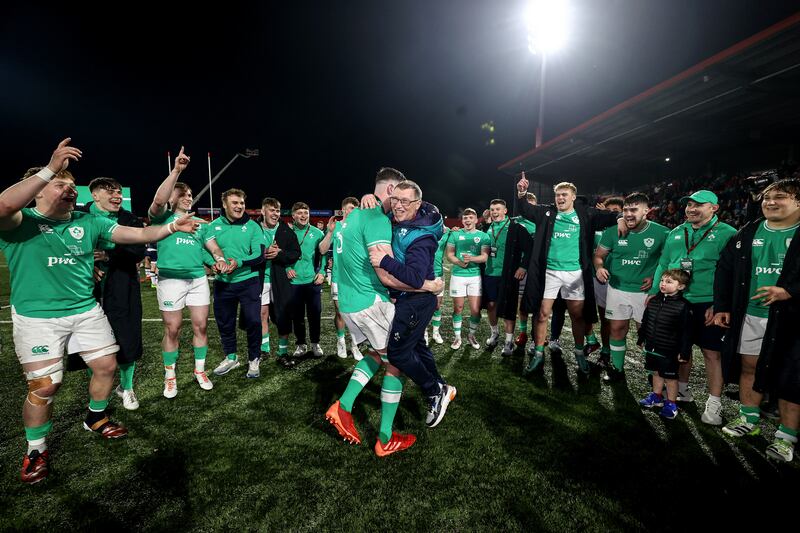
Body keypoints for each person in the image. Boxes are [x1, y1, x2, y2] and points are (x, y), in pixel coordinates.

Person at [1, 138, 197, 483]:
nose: (69, 188)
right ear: (38, 191)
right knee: (45, 386)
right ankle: (36, 449)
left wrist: (169, 228)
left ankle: (96, 416)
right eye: (58, 184)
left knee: (107, 365)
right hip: (37, 318)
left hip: (85, 310)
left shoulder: (89, 221)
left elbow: (137, 234)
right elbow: (3, 205)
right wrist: (50, 169)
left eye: (70, 184)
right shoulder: (20, 222)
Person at [325, 168, 447, 457]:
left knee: (378, 355)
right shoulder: (378, 220)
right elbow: (385, 276)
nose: (400, 203)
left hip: (348, 302)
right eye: (398, 194)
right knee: (397, 362)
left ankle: (344, 407)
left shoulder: (352, 215)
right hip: (370, 302)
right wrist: (428, 286)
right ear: (391, 190)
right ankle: (383, 435)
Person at [713, 179, 800, 460]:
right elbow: (725, 268)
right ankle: (748, 419)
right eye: (766, 197)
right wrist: (723, 306)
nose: (770, 202)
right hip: (750, 313)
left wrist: (790, 291)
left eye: (780, 197)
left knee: (791, 378)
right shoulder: (748, 231)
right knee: (748, 366)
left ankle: (786, 437)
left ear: (798, 202)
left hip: (791, 319)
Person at [516, 173, 624, 375]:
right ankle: (539, 354)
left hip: (574, 274)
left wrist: (619, 218)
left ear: (573, 196)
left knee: (577, 316)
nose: (560, 198)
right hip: (549, 273)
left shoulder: (586, 214)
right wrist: (521, 192)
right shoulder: (546, 213)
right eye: (557, 195)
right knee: (542, 314)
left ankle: (579, 353)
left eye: (564, 194)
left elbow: (608, 216)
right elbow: (525, 209)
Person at [370, 180, 453, 430]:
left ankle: (433, 391)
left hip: (416, 300)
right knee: (417, 345)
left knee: (397, 354)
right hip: (413, 298)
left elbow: (416, 278)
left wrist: (384, 260)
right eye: (395, 199)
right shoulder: (408, 220)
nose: (397, 206)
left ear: (417, 204)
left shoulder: (422, 236)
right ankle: (440, 385)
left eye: (405, 201)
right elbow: (381, 203)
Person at [148, 150, 231, 396]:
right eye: (182, 194)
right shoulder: (162, 217)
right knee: (172, 329)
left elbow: (211, 248)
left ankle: (199, 370)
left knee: (201, 326)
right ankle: (170, 375)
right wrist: (176, 172)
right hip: (171, 278)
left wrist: (219, 259)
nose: (188, 198)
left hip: (197, 279)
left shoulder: (198, 223)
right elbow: (158, 202)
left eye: (191, 195)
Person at [649, 190, 736, 425]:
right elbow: (664, 264)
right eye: (688, 205)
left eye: (698, 205)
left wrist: (720, 304)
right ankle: (683, 391)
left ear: (714, 208)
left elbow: (732, 274)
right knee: (680, 351)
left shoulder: (728, 234)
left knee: (711, 353)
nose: (691, 209)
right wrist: (654, 293)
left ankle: (715, 402)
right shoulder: (678, 231)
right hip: (678, 302)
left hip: (708, 303)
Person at [70, 175, 147, 411]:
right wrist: (87, 264)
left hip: (122, 287)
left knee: (126, 336)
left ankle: (126, 387)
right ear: (94, 195)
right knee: (88, 343)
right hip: (83, 290)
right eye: (110, 191)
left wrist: (109, 255)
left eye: (119, 192)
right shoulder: (77, 216)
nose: (117, 196)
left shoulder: (129, 219)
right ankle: (98, 390)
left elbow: (138, 251)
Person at [594, 193, 668, 382]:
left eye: (633, 209)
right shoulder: (612, 232)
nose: (628, 214)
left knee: (648, 333)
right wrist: (600, 267)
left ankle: (653, 373)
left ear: (646, 211)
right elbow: (599, 255)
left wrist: (655, 277)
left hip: (645, 293)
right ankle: (617, 369)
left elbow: (668, 260)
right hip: (617, 289)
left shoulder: (662, 233)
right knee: (617, 329)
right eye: (626, 210)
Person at [210, 189, 267, 378]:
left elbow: (259, 254)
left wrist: (239, 262)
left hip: (248, 282)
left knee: (253, 321)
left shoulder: (253, 227)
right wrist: (214, 263)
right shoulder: (213, 226)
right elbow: (205, 250)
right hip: (222, 283)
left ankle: (254, 359)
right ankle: (231, 357)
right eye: (234, 203)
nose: (239, 206)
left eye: (241, 203)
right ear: (225, 204)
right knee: (225, 323)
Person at [637, 269, 693, 419]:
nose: (663, 284)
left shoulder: (684, 306)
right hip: (653, 347)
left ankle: (671, 403)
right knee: (655, 372)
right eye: (662, 280)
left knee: (670, 378)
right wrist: (641, 338)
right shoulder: (654, 301)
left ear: (681, 286)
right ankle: (656, 396)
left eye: (669, 282)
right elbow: (645, 321)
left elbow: (687, 332)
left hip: (669, 350)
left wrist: (685, 351)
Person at [259, 197, 302, 368]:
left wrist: (280, 254)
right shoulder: (254, 228)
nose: (275, 214)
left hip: (280, 280)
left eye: (277, 211)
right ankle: (264, 349)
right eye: (272, 210)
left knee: (282, 315)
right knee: (261, 315)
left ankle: (282, 352)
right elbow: (246, 250)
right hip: (260, 279)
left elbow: (295, 253)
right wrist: (263, 253)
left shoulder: (285, 230)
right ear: (263, 211)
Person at [287, 202, 330, 357]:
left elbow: (323, 254)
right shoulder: (287, 233)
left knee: (314, 314)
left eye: (306, 212)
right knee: (297, 316)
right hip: (294, 282)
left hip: (312, 281)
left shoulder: (317, 233)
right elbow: (281, 255)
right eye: (299, 213)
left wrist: (323, 272)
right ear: (293, 216)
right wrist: (287, 269)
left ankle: (315, 343)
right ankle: (300, 344)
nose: (303, 216)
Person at [446, 208, 490, 349]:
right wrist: (459, 262)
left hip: (474, 276)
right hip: (458, 275)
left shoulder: (483, 236)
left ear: (476, 220)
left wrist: (471, 258)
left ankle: (471, 335)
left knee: (475, 310)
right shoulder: (455, 235)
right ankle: (457, 337)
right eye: (465, 218)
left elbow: (484, 257)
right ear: (462, 220)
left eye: (471, 217)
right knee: (458, 308)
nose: (468, 220)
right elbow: (450, 254)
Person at [587, 196, 624, 362]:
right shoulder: (595, 230)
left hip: (617, 281)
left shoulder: (626, 231)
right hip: (595, 278)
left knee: (608, 320)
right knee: (584, 313)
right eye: (608, 211)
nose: (611, 214)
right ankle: (597, 344)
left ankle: (607, 351)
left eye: (615, 211)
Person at [328, 197, 363, 359]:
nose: (353, 211)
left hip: (356, 278)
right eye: (350, 208)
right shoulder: (336, 227)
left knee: (356, 313)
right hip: (338, 277)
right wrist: (329, 232)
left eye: (355, 208)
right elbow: (323, 250)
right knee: (340, 312)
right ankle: (341, 341)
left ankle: (355, 345)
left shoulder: (360, 227)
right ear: (343, 210)